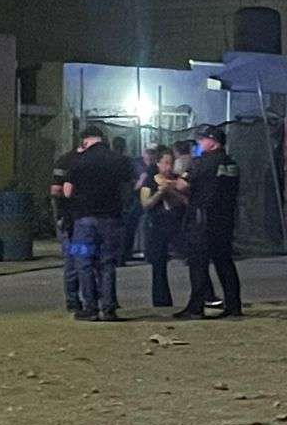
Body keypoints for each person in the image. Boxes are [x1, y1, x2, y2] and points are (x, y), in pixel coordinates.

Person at [62, 124, 137, 321]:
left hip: (83, 221)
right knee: (107, 263)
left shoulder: (78, 160)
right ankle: (109, 308)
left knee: (83, 262)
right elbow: (130, 186)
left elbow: (67, 192)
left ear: (85, 140)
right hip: (112, 219)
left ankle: (90, 308)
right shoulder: (119, 160)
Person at [172, 124, 242, 319]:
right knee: (224, 262)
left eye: (203, 139)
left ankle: (196, 307)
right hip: (225, 219)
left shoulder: (202, 163)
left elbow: (182, 185)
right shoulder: (231, 163)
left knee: (198, 264)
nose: (200, 143)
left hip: (202, 219)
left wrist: (172, 182)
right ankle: (233, 305)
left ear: (213, 141)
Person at [138, 146, 187, 308]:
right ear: (158, 163)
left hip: (177, 223)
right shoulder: (150, 180)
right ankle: (161, 300)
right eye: (165, 163)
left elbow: (187, 201)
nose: (168, 167)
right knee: (158, 264)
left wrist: (172, 190)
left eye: (171, 163)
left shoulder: (178, 180)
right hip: (157, 225)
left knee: (192, 259)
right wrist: (159, 193)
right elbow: (145, 203)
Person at [49, 139, 85, 313]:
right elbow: (56, 191)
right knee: (82, 258)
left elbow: (55, 191)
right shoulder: (75, 161)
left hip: (69, 219)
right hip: (77, 218)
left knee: (73, 259)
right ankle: (86, 298)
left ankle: (73, 300)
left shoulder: (64, 160)